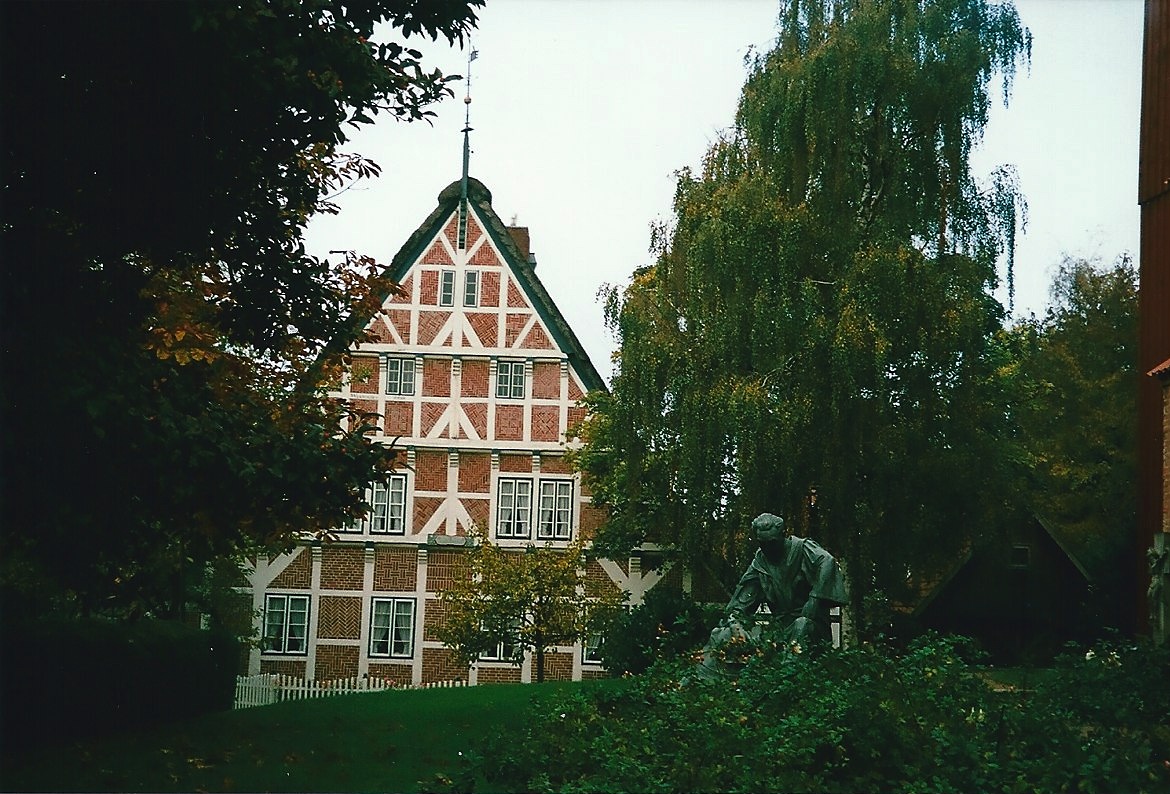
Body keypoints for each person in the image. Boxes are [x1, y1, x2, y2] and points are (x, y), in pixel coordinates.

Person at [697, 512, 847, 678]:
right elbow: (741, 602)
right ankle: (706, 683)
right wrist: (735, 622)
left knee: (801, 625)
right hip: (779, 631)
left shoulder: (802, 549)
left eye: (772, 543)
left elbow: (827, 562)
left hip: (812, 627)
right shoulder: (760, 563)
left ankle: (786, 682)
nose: (768, 549)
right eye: (763, 544)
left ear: (783, 534)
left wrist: (814, 598)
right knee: (723, 633)